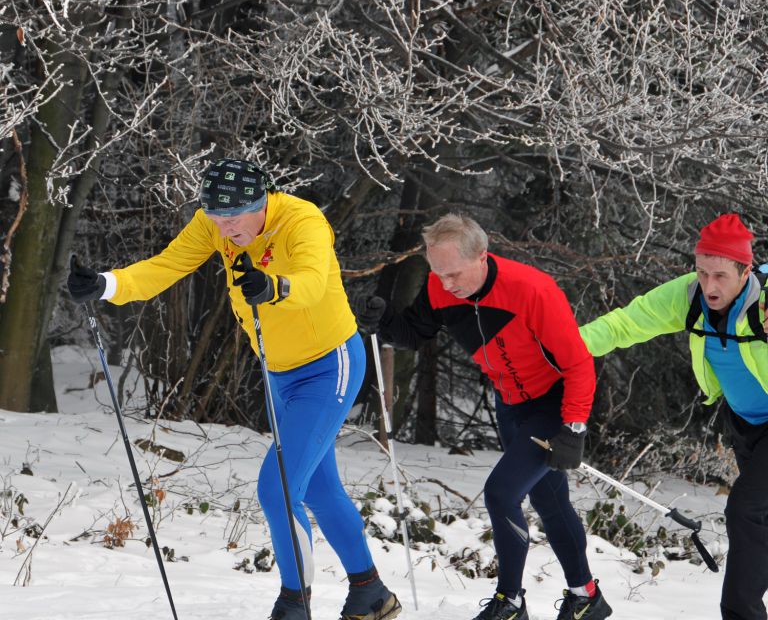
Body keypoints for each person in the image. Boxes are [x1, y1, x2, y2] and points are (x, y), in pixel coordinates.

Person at [68, 158, 401, 620]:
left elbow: (311, 279)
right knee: (319, 490)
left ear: (260, 203)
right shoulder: (213, 225)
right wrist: (106, 285)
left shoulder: (302, 220)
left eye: (233, 218)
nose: (224, 230)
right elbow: (167, 266)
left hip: (330, 366)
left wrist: (274, 287)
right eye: (216, 218)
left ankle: (294, 603)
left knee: (279, 488)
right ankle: (371, 593)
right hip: (280, 374)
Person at [358, 213, 612, 620]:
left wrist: (574, 427)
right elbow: (414, 332)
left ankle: (509, 603)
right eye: (436, 272)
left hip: (551, 403)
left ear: (481, 256)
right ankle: (587, 597)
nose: (445, 284)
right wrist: (383, 321)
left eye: (453, 273)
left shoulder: (532, 290)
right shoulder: (442, 289)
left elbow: (579, 364)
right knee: (549, 500)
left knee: (501, 493)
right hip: (510, 403)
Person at [579, 213, 768, 620]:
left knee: (746, 511)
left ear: (745, 270)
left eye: (720, 275)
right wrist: (567, 349)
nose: (709, 285)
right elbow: (627, 322)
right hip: (746, 424)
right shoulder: (689, 296)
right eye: (702, 272)